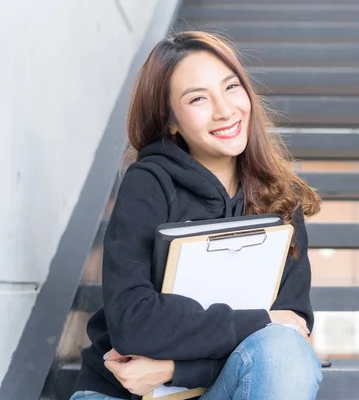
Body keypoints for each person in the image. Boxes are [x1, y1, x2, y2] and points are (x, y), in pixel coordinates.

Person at [70, 31, 323, 400]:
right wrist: (262, 320)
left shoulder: (280, 198)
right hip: (124, 394)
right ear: (170, 121)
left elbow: (293, 326)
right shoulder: (149, 184)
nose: (225, 110)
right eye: (198, 98)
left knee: (285, 354)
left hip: (219, 386)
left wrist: (176, 369)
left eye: (231, 87)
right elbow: (134, 323)